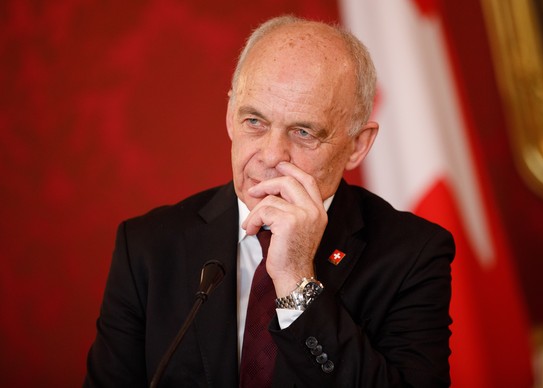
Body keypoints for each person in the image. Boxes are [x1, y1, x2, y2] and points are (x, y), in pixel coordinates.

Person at [84, 15, 455, 387]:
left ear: (357, 145)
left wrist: (298, 283)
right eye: (255, 122)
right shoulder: (148, 247)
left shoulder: (413, 254)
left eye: (303, 131)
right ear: (231, 116)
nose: (271, 155)